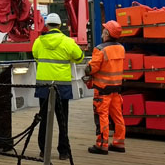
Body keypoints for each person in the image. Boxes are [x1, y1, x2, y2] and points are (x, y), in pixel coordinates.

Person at [32, 13, 84, 161]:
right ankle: (63, 152)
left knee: (43, 119)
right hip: (62, 87)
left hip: (43, 86)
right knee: (62, 120)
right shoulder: (68, 42)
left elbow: (36, 56)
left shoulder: (39, 41)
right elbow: (79, 57)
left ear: (47, 26)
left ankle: (43, 150)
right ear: (60, 26)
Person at [85, 20, 126, 155]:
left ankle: (101, 145)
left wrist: (87, 67)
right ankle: (119, 143)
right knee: (118, 117)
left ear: (107, 33)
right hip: (116, 89)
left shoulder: (100, 49)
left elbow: (92, 68)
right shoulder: (121, 48)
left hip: (102, 91)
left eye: (104, 30)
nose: (102, 33)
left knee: (102, 116)